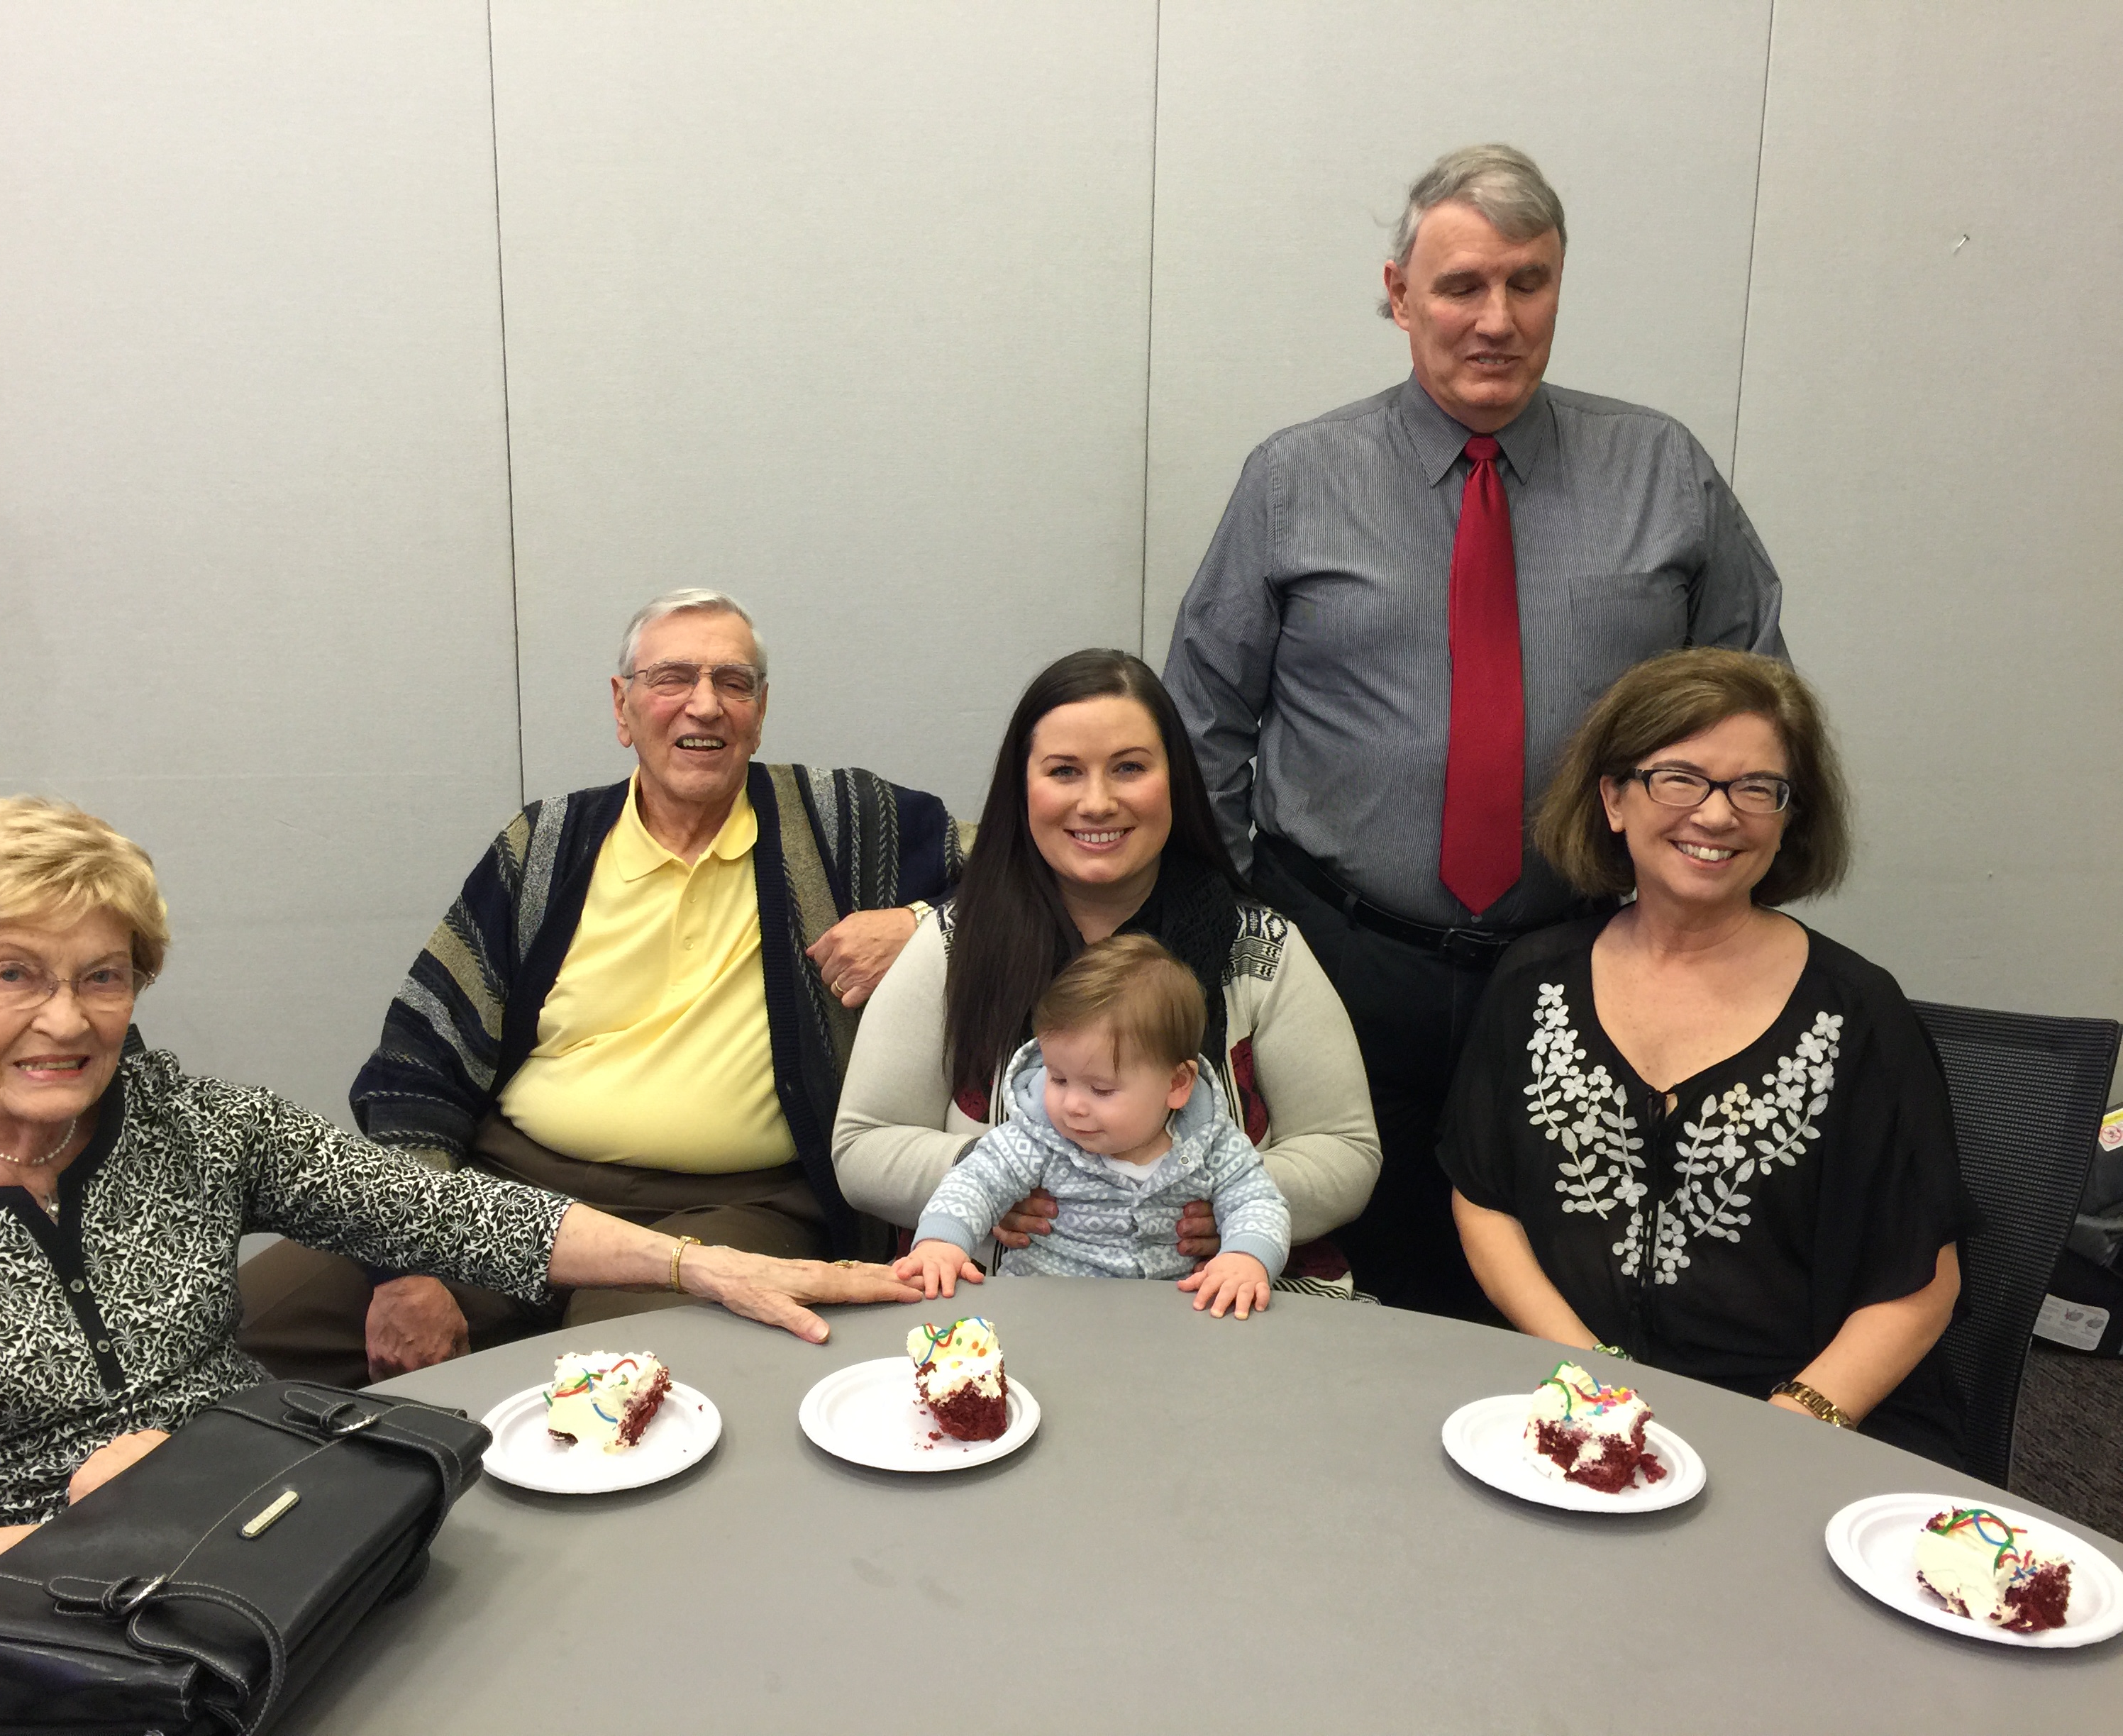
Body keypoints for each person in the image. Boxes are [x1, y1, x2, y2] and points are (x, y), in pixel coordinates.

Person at [0, 798, 916, 1667]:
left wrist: (699, 1262)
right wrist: (84, 1546)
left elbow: (448, 1210)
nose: (67, 1018)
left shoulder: (178, 1122)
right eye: (14, 975)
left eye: (103, 977)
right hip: (11, 1633)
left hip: (265, 1561)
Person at [1163, 143, 1789, 1317]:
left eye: (1526, 281)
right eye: (1459, 286)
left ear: (1557, 284)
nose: (1494, 318)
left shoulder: (1662, 472)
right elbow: (1200, 719)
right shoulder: (1293, 480)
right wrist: (1249, 915)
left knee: (1555, 1281)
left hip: (1582, 959)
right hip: (1336, 953)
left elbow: (1751, 709)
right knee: (1337, 1271)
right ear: (1398, 295)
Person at [236, 589, 963, 1389]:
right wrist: (404, 1265)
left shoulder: (842, 825)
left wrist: (924, 923)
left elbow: (1045, 867)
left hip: (732, 1208)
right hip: (506, 1186)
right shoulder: (547, 845)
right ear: (622, 708)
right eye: (673, 677)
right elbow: (420, 1060)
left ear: (760, 712)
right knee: (245, 1326)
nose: (705, 704)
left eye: (734, 682)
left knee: (602, 1390)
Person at [1437, 650, 1972, 1464]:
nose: (1719, 816)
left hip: (1790, 1417)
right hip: (1564, 1388)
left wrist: (1789, 1428)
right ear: (1614, 798)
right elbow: (1484, 1200)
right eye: (1678, 778)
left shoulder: (1858, 1012)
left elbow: (1922, 1280)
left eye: (1757, 788)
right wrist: (1591, 1379)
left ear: (1791, 814)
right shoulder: (1532, 980)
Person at [833, 649, 1379, 1276]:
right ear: (1023, 790)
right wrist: (1000, 1179)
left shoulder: (1257, 947)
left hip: (1220, 1309)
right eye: (1064, 771)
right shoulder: (953, 945)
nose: (1097, 802)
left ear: (1174, 780)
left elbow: (1347, 1152)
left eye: (1128, 768)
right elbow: (862, 1147)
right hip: (1002, 1307)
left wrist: (1223, 1198)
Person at [897, 935, 1290, 1321]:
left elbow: (1257, 1202)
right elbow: (974, 1183)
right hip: (1045, 1315)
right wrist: (941, 1242)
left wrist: (1245, 1256)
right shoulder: (1039, 1138)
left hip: (1172, 1323)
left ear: (1176, 1085)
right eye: (1058, 1079)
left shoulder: (1211, 1144)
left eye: (1101, 1089)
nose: (1072, 1106)